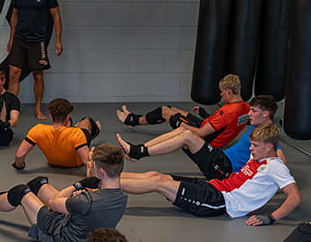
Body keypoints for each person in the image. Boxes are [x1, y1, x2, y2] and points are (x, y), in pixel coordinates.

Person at [118, 123, 301, 225]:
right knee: (156, 175)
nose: (250, 149)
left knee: (158, 182)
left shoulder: (275, 166)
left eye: (255, 146)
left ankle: (101, 182)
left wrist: (271, 217)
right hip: (214, 186)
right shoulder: (257, 157)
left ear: (269, 147)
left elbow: (295, 197)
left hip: (219, 202)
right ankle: (104, 178)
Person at [0, 144, 127, 242]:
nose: (89, 166)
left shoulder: (87, 201)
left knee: (20, 191)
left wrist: (78, 185)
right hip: (84, 235)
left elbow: (54, 202)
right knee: (39, 183)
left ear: (101, 172)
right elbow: (91, 209)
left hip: (61, 238)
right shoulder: (122, 196)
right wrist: (82, 197)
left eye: (91, 164)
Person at [117, 95, 285, 180]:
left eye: (253, 111)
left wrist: (253, 180)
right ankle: (137, 150)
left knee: (187, 136)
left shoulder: (269, 135)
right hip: (221, 157)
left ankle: (138, 151)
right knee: (184, 134)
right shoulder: (257, 125)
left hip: (224, 168)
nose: (249, 114)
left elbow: (280, 161)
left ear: (266, 114)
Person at [116, 74, 250, 151]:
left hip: (206, 138)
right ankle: (133, 120)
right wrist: (204, 115)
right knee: (172, 109)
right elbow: (225, 125)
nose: (221, 94)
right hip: (211, 129)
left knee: (164, 111)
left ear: (228, 91)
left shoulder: (228, 111)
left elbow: (201, 133)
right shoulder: (245, 107)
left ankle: (132, 120)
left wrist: (177, 122)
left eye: (222, 92)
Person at [6, 0, 63, 120]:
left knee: (37, 75)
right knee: (13, 73)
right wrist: (11, 39)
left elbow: (56, 17)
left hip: (38, 40)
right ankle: (12, 110)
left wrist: (58, 40)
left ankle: (38, 108)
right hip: (19, 38)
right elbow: (14, 16)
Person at [12, 98, 101, 170]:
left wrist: (19, 166)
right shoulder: (78, 133)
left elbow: (19, 155)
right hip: (75, 164)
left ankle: (70, 127)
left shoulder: (37, 129)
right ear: (68, 115)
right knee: (86, 121)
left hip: (53, 163)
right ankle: (95, 130)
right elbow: (87, 162)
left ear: (50, 115)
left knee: (70, 125)